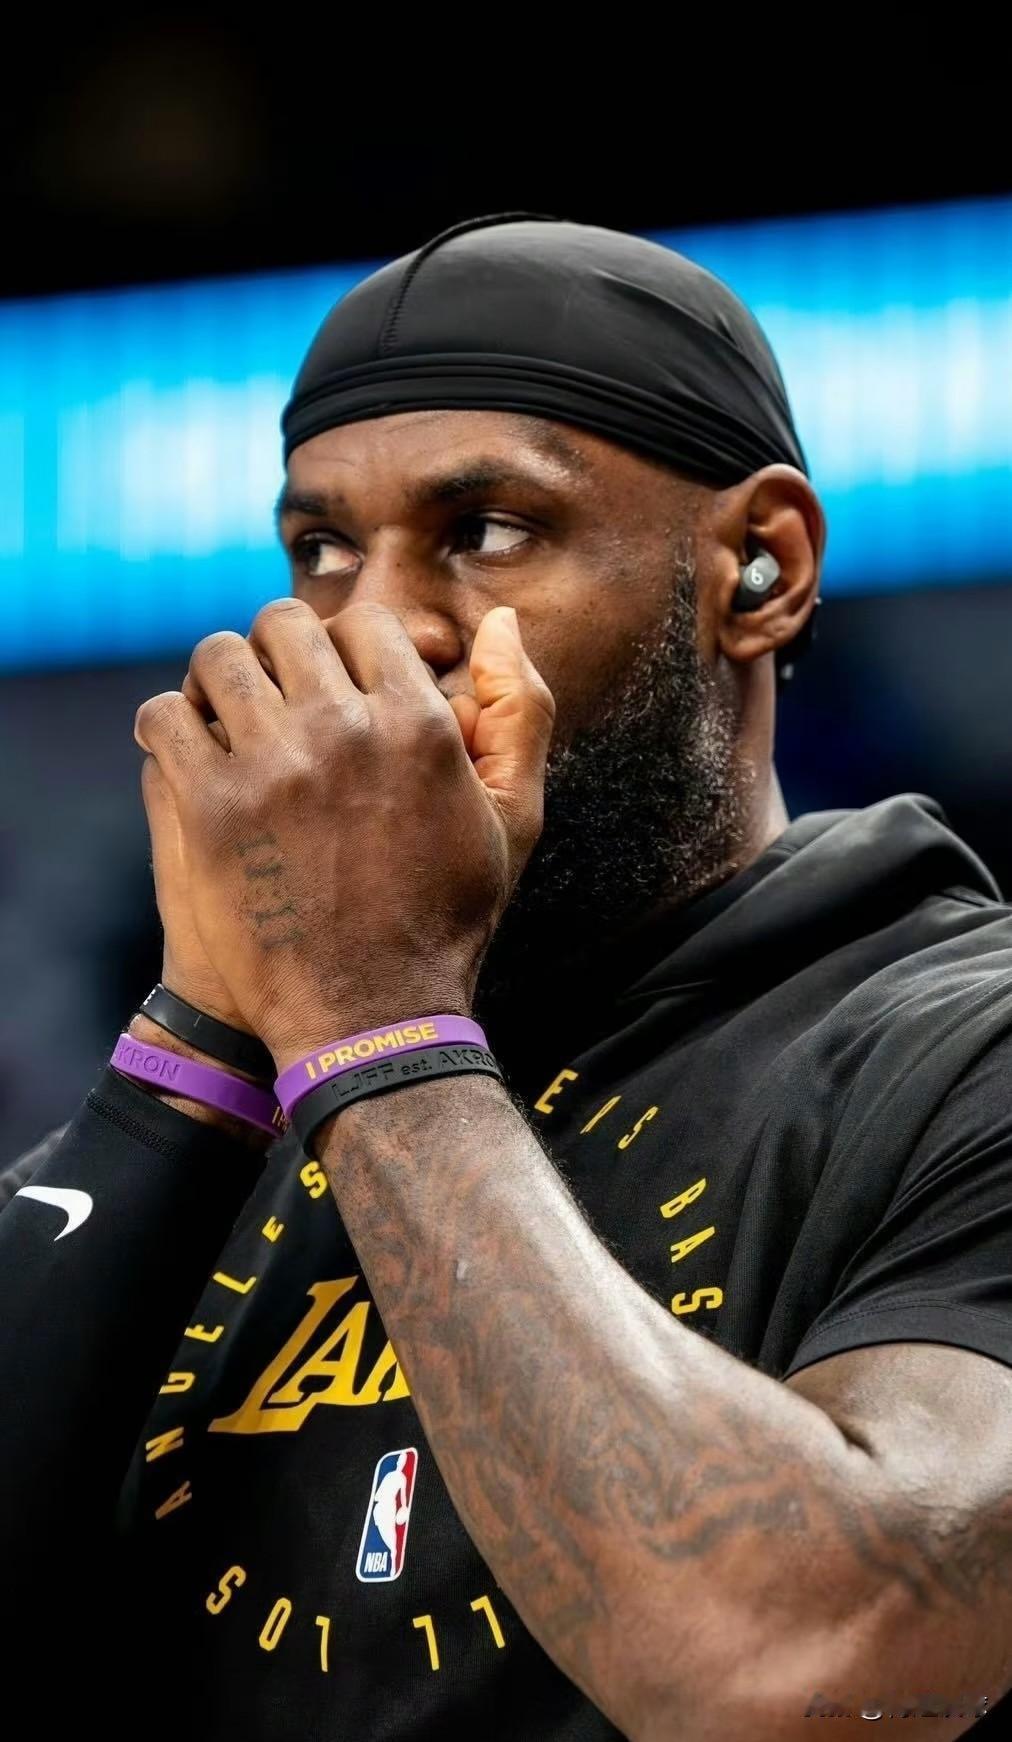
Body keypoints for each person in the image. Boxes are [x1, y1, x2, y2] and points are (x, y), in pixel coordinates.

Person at [1, 214, 1010, 1742]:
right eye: (323, 551)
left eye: (486, 530)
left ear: (762, 568)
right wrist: (195, 1041)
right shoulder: (238, 1111)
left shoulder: (958, 1052)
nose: (379, 628)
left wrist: (376, 1020)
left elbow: (808, 1669)